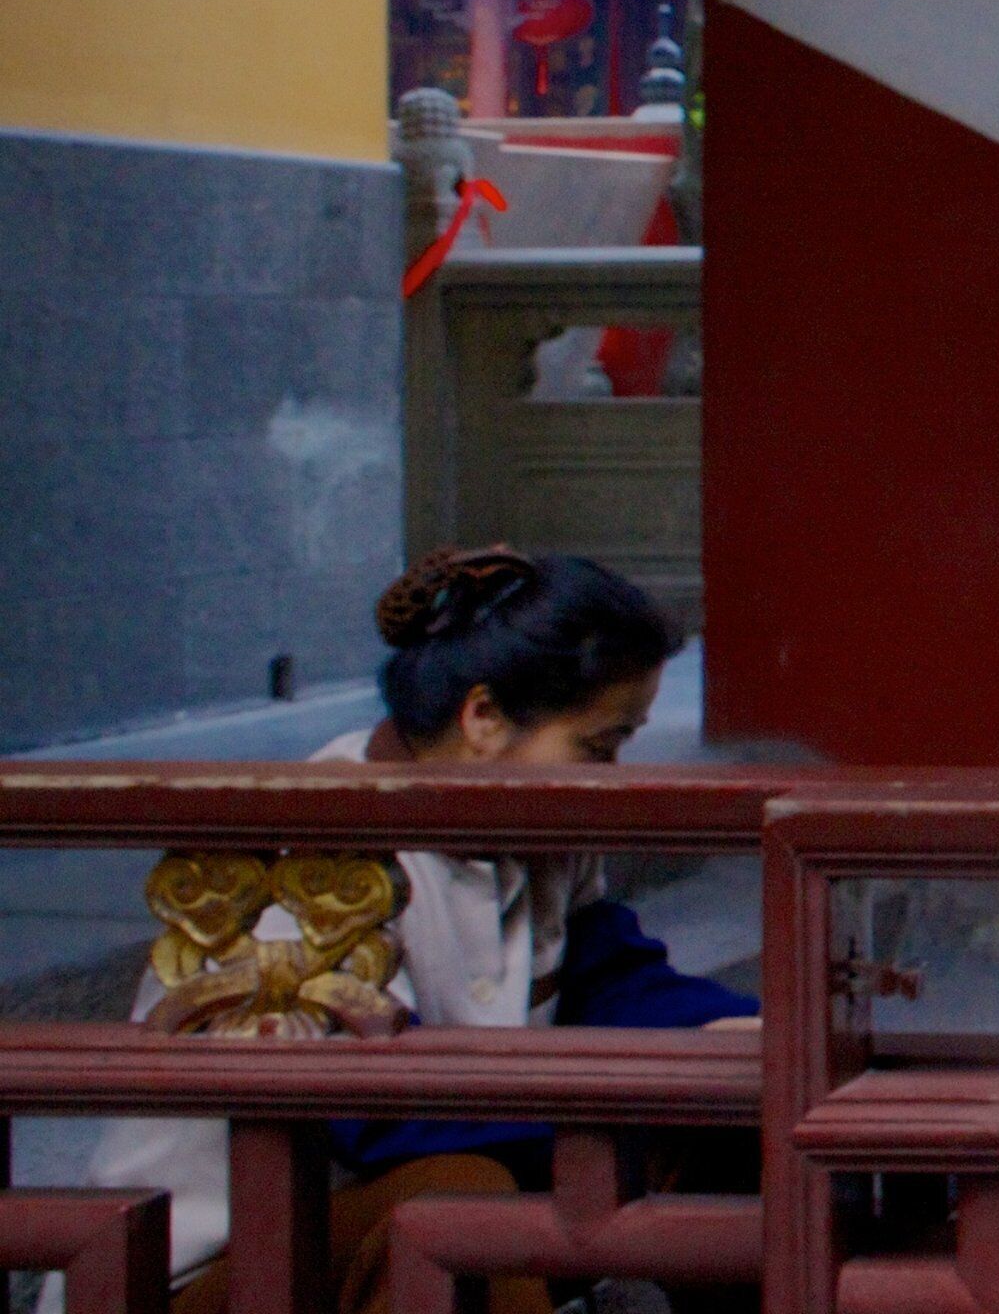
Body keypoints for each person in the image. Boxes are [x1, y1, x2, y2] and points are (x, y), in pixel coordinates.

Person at [78, 548, 755, 1314]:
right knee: (461, 1206)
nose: (612, 776)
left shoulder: (539, 827)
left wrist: (723, 1031)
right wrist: (616, 1094)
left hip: (409, 1187)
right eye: (598, 747)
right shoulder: (318, 846)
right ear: (485, 718)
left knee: (726, 1117)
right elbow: (377, 1119)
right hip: (222, 1266)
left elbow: (606, 978)